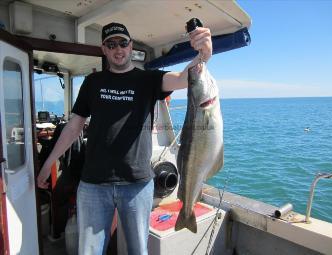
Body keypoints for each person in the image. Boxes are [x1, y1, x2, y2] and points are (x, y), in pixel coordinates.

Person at [37, 21, 212, 255]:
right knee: (88, 251)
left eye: (122, 43)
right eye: (111, 44)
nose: (117, 49)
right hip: (93, 185)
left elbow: (183, 78)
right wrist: (49, 162)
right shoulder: (92, 83)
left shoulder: (149, 79)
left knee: (138, 250)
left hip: (137, 184)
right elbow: (74, 126)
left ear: (131, 47)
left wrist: (204, 54)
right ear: (104, 49)